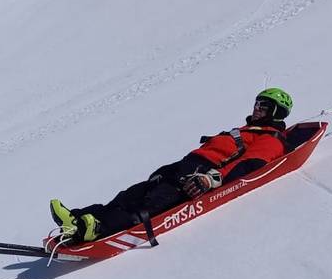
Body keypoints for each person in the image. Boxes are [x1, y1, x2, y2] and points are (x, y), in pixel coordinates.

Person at [50, 88, 292, 243]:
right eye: (257, 103)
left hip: (198, 177)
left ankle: (98, 230)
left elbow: (248, 167)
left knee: (151, 205)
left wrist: (211, 179)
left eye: (264, 106)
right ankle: (78, 219)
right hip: (185, 167)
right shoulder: (249, 130)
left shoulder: (270, 140)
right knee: (130, 194)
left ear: (276, 112)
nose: (257, 108)